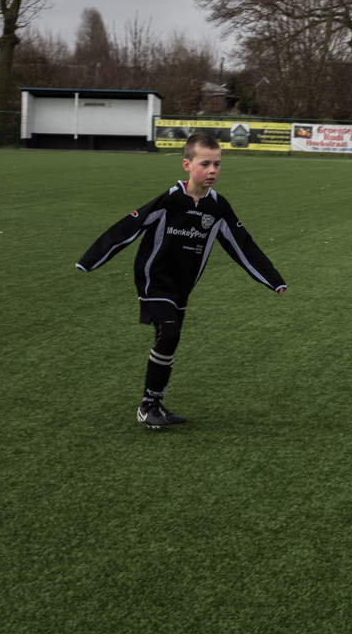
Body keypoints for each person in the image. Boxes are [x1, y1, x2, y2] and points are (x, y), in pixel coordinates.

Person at [76, 132, 287, 428]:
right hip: (154, 279)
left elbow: (242, 244)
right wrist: (90, 260)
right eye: (205, 164)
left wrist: (272, 279)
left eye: (217, 164)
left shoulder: (218, 207)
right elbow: (128, 226)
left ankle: (157, 405)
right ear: (187, 165)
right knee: (170, 334)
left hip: (182, 286)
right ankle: (147, 407)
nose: (212, 170)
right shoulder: (170, 200)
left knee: (168, 342)